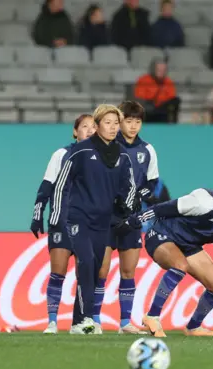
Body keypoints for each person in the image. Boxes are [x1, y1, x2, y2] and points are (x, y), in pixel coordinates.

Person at [116, 178, 213, 337]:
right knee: (179, 265)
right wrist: (134, 220)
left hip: (188, 246)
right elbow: (163, 208)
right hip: (162, 234)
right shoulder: (205, 201)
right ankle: (152, 316)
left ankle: (193, 327)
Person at [49, 105, 136, 334]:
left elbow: (130, 188)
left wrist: (125, 206)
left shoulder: (123, 155)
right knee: (86, 263)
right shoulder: (80, 151)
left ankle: (80, 321)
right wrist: (57, 217)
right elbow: (61, 185)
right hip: (78, 218)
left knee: (96, 269)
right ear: (97, 126)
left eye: (116, 123)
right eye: (107, 122)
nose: (113, 127)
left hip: (104, 222)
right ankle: (83, 320)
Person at [30, 114, 116, 334]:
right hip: (61, 220)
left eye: (92, 127)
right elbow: (46, 185)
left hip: (87, 224)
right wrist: (38, 213)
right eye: (84, 126)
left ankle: (86, 319)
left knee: (86, 273)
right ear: (75, 131)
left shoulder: (99, 157)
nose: (88, 130)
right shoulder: (62, 154)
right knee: (58, 273)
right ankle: (52, 322)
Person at [110, 101, 158, 334]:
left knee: (128, 270)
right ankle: (93, 320)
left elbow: (152, 182)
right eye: (128, 121)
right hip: (107, 215)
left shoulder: (147, 150)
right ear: (120, 122)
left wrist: (141, 194)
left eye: (137, 121)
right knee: (98, 270)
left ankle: (124, 322)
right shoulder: (108, 146)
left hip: (132, 217)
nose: (133, 126)